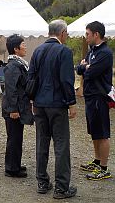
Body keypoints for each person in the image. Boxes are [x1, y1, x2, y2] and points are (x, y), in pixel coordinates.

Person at [28, 19, 77, 199]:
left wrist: (32, 100)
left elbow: (31, 77)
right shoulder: (64, 51)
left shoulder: (37, 51)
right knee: (61, 144)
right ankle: (61, 187)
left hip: (39, 103)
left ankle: (42, 181)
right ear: (62, 33)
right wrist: (71, 103)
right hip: (57, 104)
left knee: (42, 142)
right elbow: (66, 80)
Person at [76, 21, 112, 180]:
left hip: (99, 96)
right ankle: (97, 161)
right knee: (94, 131)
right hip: (90, 97)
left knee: (102, 132)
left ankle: (104, 168)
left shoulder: (105, 53)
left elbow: (91, 73)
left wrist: (86, 68)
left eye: (87, 34)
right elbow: (79, 69)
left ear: (96, 34)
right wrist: (85, 67)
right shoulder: (91, 52)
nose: (86, 37)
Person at [2, 34, 34, 177]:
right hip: (13, 109)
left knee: (17, 137)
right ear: (15, 49)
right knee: (14, 138)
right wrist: (13, 109)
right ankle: (11, 169)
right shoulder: (13, 66)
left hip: (18, 107)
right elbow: (11, 89)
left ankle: (15, 164)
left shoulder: (18, 64)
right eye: (23, 44)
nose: (25, 47)